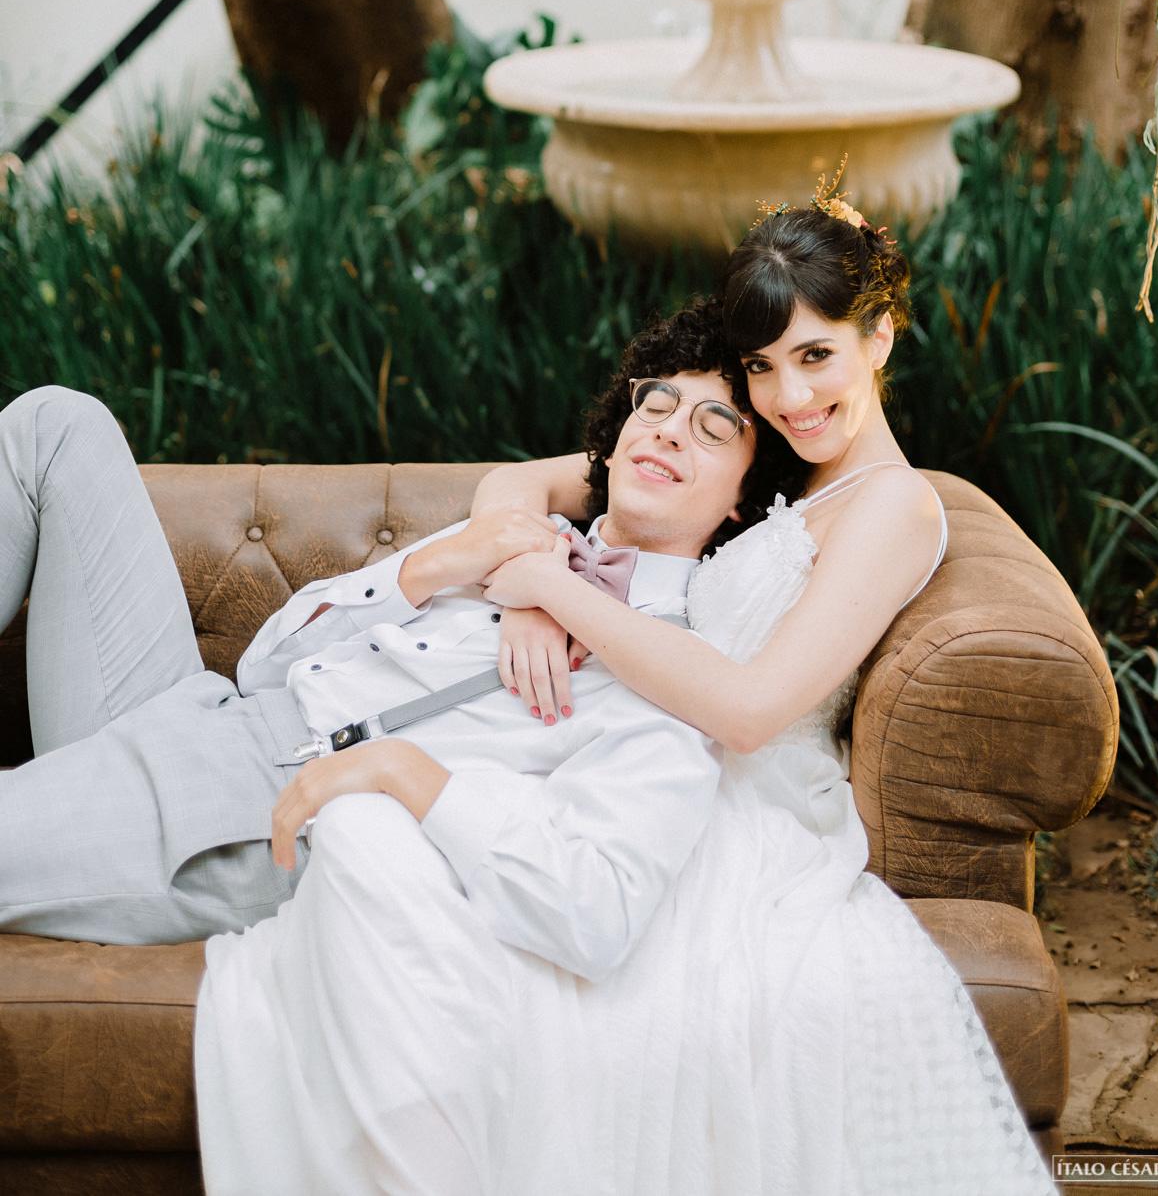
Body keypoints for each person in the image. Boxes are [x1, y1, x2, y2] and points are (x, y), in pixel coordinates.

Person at [196, 182, 1058, 1195]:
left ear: (881, 336)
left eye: (817, 355)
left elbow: (747, 707)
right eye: (765, 367)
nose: (790, 395)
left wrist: (555, 587)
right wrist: (527, 599)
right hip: (615, 748)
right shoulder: (764, 451)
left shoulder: (895, 505)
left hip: (724, 793)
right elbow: (533, 485)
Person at [0, 305, 777, 950]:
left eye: (715, 427)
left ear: (744, 498)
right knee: (57, 424)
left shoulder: (672, 678)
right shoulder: (512, 531)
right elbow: (266, 666)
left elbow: (596, 912)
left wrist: (407, 774)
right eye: (659, 403)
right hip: (206, 711)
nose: (672, 429)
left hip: (261, 807)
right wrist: (440, 568)